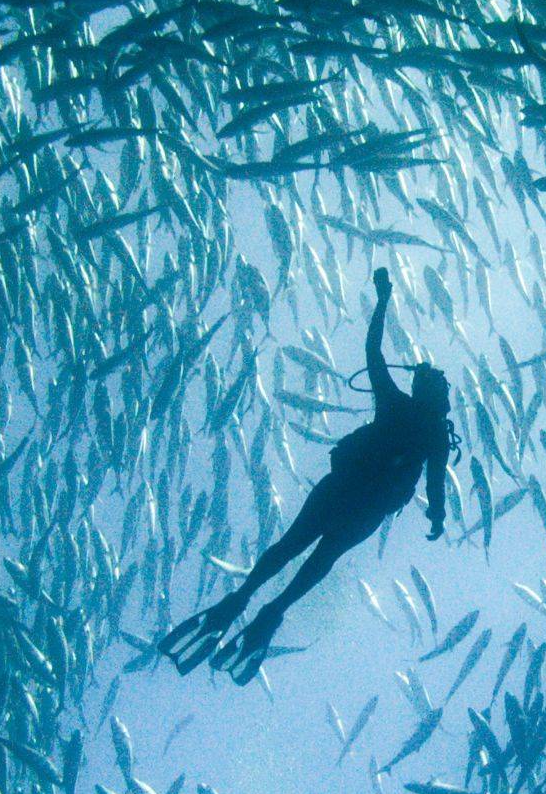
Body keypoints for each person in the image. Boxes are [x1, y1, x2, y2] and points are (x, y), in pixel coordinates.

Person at [165, 269, 452, 680]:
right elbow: (435, 482)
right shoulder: (434, 433)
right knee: (322, 558)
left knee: (292, 545)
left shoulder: (397, 405)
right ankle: (271, 609)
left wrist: (384, 299)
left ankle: (244, 598)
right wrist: (437, 516)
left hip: (342, 488)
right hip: (366, 509)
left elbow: (373, 350)